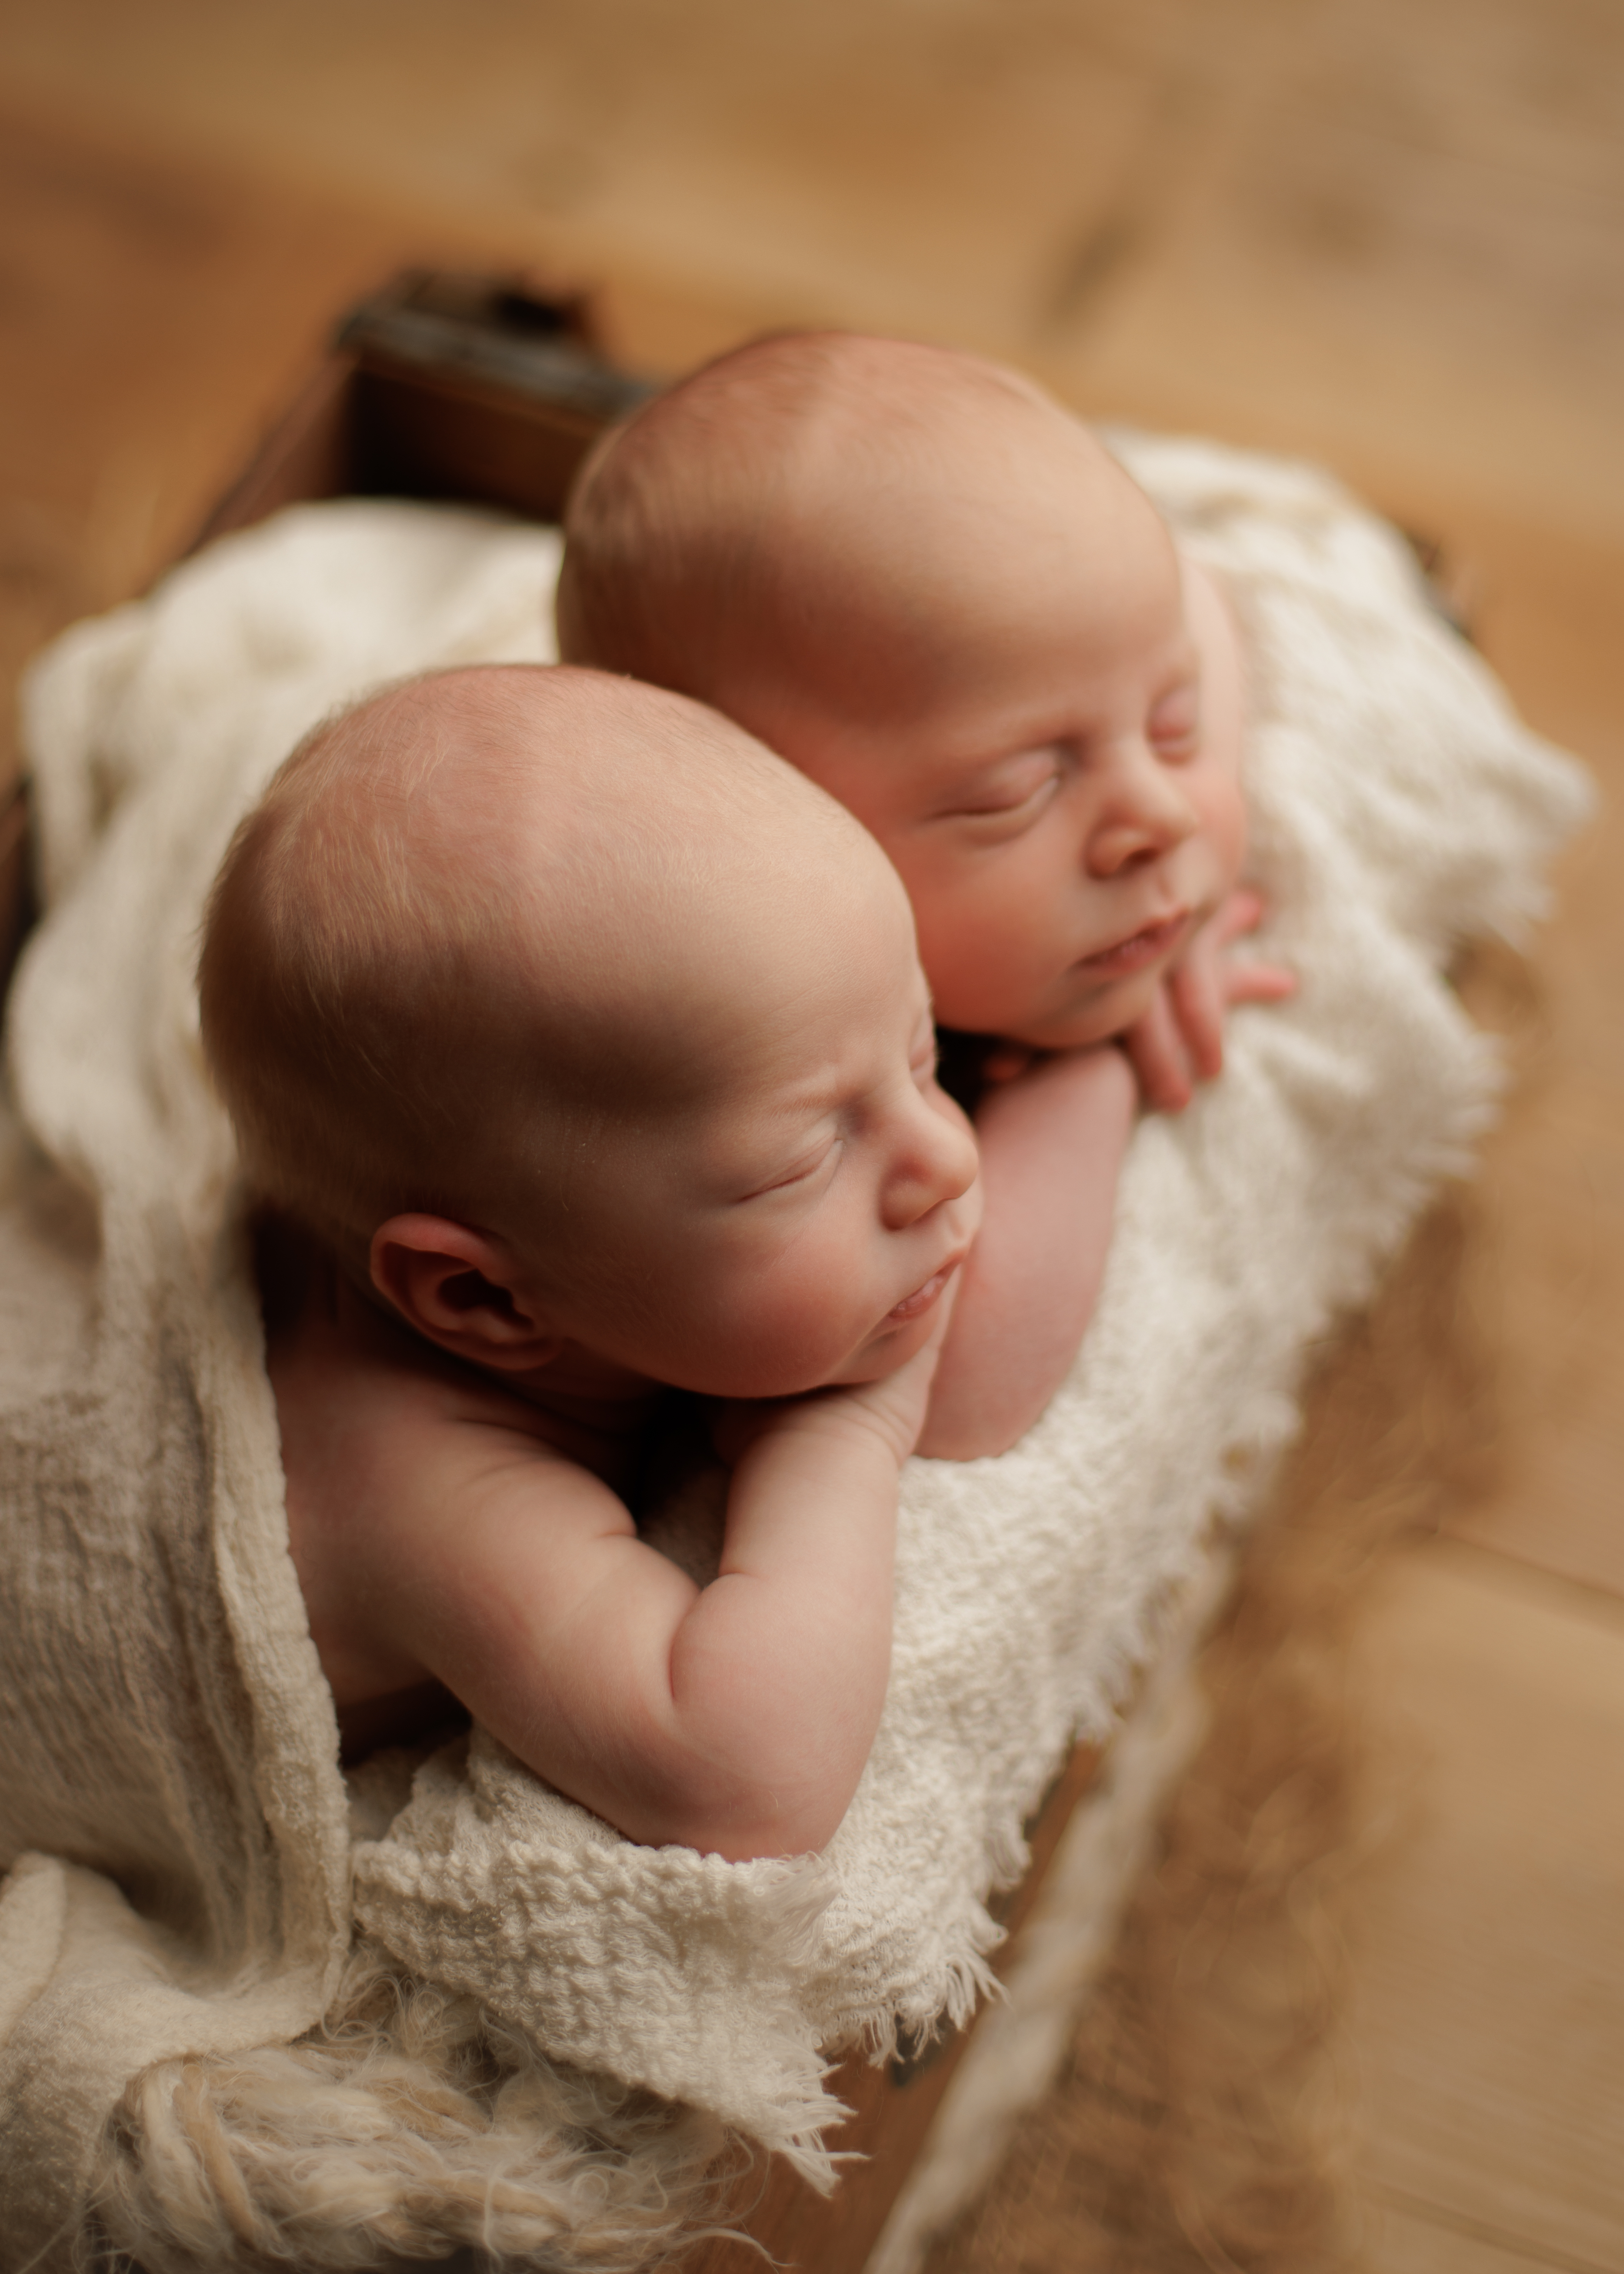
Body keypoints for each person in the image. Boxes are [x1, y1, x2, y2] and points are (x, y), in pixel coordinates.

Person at [198, 663, 980, 1862]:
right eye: (798, 1165)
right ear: (481, 1298)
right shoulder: (414, 1487)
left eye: (921, 1053)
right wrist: (846, 1437)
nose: (942, 1157)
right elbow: (742, 1781)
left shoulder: (629, 1166)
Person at [555, 331, 1296, 1457]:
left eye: (1171, 721)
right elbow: (952, 1393)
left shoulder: (1091, 714)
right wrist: (1081, 1073)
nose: (1165, 817)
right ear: (766, 826)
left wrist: (1203, 783)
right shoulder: (739, 1046)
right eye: (1019, 790)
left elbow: (1184, 598)